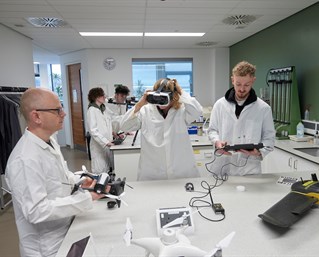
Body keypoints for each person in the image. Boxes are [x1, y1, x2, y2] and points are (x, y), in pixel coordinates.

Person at [5, 88, 106, 257]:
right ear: (36, 116)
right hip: (45, 247)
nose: (64, 114)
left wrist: (80, 181)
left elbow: (60, 177)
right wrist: (85, 199)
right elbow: (37, 211)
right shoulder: (25, 159)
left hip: (65, 231)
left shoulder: (49, 141)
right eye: (57, 110)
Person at [120, 78, 203, 181]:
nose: (160, 102)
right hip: (153, 174)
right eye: (157, 96)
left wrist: (180, 91)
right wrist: (140, 104)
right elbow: (124, 126)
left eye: (164, 97)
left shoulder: (182, 111)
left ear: (173, 96)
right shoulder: (146, 111)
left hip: (181, 173)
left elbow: (198, 110)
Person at [207, 61, 275, 176]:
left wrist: (258, 152)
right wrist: (217, 142)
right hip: (223, 166)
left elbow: (269, 138)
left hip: (249, 169)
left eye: (247, 85)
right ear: (232, 80)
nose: (242, 89)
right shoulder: (220, 105)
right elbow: (212, 130)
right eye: (238, 84)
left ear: (253, 80)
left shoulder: (263, 108)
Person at [87, 87, 122, 174]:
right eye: (102, 95)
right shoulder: (92, 110)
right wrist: (106, 142)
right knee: (100, 171)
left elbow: (112, 118)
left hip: (108, 143)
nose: (104, 97)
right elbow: (93, 131)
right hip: (99, 146)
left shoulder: (103, 108)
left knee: (108, 170)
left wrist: (114, 133)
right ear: (96, 97)